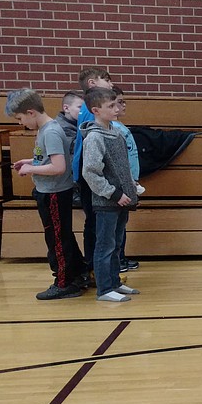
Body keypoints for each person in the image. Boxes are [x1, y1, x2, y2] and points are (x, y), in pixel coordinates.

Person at [6, 89, 85, 300]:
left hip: (54, 194)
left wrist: (31, 170)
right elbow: (49, 160)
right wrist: (30, 161)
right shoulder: (46, 129)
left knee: (57, 240)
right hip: (49, 192)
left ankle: (64, 282)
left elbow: (58, 167)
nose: (21, 123)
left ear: (31, 112)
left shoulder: (50, 131)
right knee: (62, 236)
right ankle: (77, 274)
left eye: (20, 118)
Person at [81, 86, 140, 302]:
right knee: (105, 246)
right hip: (107, 202)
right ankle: (104, 289)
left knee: (116, 244)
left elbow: (119, 167)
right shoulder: (94, 138)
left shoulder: (115, 133)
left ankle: (114, 282)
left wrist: (130, 185)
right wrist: (113, 193)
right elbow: (91, 172)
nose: (117, 109)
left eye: (117, 104)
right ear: (96, 110)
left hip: (121, 201)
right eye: (111, 106)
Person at [72, 66, 116, 282]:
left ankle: (99, 270)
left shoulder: (88, 109)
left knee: (94, 223)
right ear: (92, 84)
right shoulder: (93, 110)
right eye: (106, 80)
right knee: (95, 223)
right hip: (86, 167)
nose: (110, 84)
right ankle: (96, 271)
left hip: (83, 167)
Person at [110, 86, 142, 272]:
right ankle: (117, 259)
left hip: (129, 180)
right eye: (119, 102)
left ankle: (120, 256)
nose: (123, 105)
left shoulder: (120, 127)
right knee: (116, 225)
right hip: (121, 183)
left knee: (122, 223)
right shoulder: (113, 129)